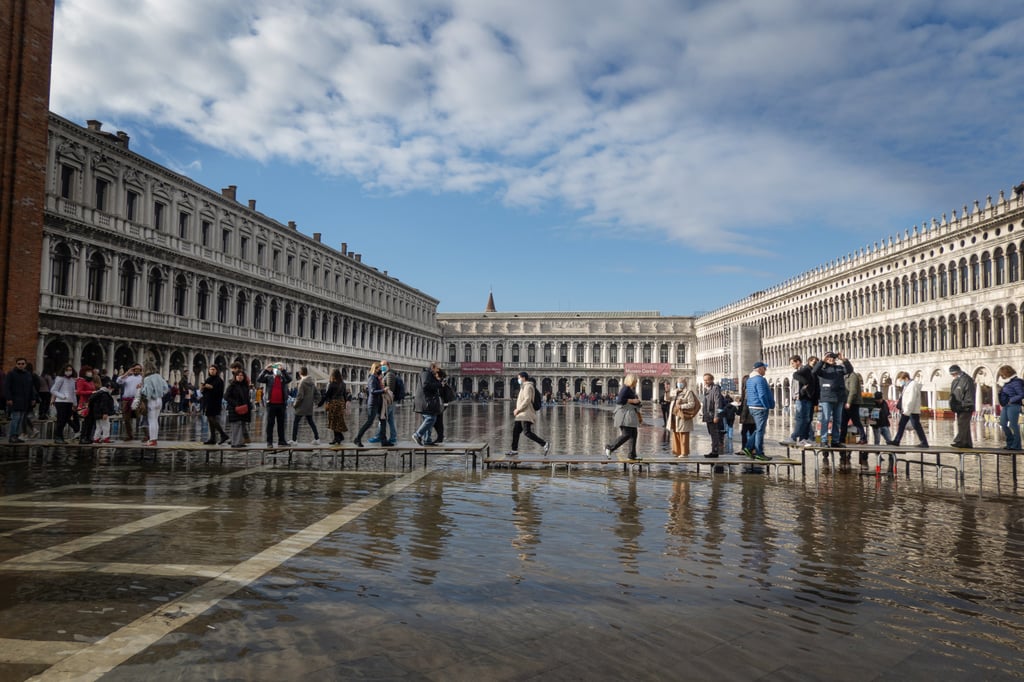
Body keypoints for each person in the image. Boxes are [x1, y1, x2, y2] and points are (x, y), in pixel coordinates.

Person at [811, 352, 851, 449]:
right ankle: (824, 440)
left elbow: (850, 370)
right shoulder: (822, 369)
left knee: (837, 420)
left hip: (839, 397)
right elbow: (814, 371)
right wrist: (821, 361)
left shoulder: (839, 368)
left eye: (833, 357)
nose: (831, 359)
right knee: (825, 419)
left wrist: (844, 360)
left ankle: (835, 440)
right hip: (826, 397)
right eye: (829, 357)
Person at [509, 371, 548, 456]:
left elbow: (527, 400)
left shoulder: (528, 386)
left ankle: (544, 444)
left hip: (525, 414)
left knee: (527, 432)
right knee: (515, 432)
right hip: (521, 414)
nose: (518, 379)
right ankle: (514, 450)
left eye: (519, 378)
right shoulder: (523, 386)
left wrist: (518, 409)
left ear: (523, 378)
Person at [605, 374, 643, 460]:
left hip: (629, 416)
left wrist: (638, 402)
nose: (636, 382)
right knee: (626, 434)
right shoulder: (625, 388)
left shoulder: (630, 389)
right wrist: (633, 400)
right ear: (631, 381)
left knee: (634, 435)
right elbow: (619, 400)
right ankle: (610, 447)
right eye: (635, 381)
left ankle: (632, 455)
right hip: (624, 416)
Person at [743, 361, 774, 461]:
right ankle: (758, 452)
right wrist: (766, 406)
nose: (765, 370)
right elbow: (762, 394)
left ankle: (748, 447)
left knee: (759, 429)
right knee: (760, 430)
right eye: (764, 369)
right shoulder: (760, 380)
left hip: (752, 406)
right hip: (760, 407)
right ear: (760, 369)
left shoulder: (749, 380)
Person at [256, 362, 292, 447]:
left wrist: (284, 370)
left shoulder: (283, 378)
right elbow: (259, 379)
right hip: (271, 404)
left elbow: (290, 379)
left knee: (281, 423)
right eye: (277, 369)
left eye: (279, 369)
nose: (278, 370)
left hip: (281, 404)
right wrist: (265, 370)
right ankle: (269, 442)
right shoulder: (269, 377)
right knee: (270, 424)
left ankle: (282, 441)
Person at [891, 371, 929, 447]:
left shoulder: (913, 385)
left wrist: (907, 411)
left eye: (901, 380)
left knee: (915, 425)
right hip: (907, 410)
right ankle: (897, 440)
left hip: (911, 410)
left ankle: (924, 442)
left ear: (906, 378)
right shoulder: (907, 386)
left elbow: (911, 399)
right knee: (903, 425)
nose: (901, 382)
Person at [4, 358, 37, 443]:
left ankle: (16, 436)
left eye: (22, 364)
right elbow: (6, 387)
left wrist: (33, 398)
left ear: (25, 365)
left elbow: (31, 387)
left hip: (25, 401)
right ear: (16, 364)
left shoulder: (28, 374)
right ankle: (12, 436)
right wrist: (9, 398)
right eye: (19, 364)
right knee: (15, 418)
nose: (21, 365)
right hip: (15, 400)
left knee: (21, 419)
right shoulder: (11, 374)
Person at [369, 360, 400, 445]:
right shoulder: (386, 374)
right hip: (390, 401)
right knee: (390, 420)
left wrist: (382, 387)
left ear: (388, 366)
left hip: (389, 401)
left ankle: (378, 436)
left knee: (382, 418)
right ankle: (393, 438)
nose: (381, 367)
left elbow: (389, 388)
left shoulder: (389, 375)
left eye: (383, 365)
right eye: (381, 365)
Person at [411, 363, 443, 447]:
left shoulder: (429, 374)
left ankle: (427, 440)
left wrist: (438, 381)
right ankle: (417, 435)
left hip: (427, 400)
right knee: (431, 418)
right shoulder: (426, 373)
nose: (438, 370)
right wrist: (439, 384)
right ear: (433, 367)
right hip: (425, 400)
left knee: (428, 419)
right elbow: (426, 385)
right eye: (437, 368)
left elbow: (430, 384)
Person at [354, 362, 386, 447]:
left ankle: (384, 440)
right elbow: (372, 391)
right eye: (379, 368)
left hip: (378, 403)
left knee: (383, 420)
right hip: (373, 404)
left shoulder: (376, 378)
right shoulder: (372, 378)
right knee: (369, 422)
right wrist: (383, 391)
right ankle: (357, 438)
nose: (381, 370)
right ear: (375, 369)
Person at [667, 377, 698, 457]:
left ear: (685, 383)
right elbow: (667, 399)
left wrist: (681, 406)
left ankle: (684, 453)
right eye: (678, 382)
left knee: (683, 434)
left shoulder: (688, 392)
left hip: (682, 417)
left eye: (681, 382)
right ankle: (677, 451)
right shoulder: (674, 392)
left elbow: (692, 404)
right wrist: (667, 391)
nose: (679, 384)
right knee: (675, 433)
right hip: (674, 416)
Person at [139, 363, 169, 446]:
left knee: (151, 420)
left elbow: (147, 391)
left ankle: (152, 440)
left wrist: (141, 391)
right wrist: (161, 393)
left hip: (151, 400)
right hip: (159, 400)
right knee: (155, 420)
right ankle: (154, 439)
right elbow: (166, 388)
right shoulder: (159, 376)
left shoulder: (147, 379)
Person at [290, 366, 320, 445]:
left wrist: (295, 404)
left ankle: (294, 440)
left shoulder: (302, 382)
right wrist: (315, 402)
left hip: (301, 407)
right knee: (311, 422)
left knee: (296, 422)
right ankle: (317, 439)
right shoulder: (312, 382)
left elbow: (300, 396)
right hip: (309, 406)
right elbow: (318, 394)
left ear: (300, 373)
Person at [997, 365, 1024, 450]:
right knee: (1002, 423)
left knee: (1013, 425)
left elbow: (1021, 394)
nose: (1002, 377)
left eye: (1003, 375)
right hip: (1006, 405)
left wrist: (1011, 400)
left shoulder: (1016, 382)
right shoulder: (1007, 383)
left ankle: (1016, 445)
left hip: (1014, 405)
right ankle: (1010, 442)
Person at [318, 369, 349, 444]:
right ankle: (338, 437)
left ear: (333, 376)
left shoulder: (332, 384)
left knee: (333, 421)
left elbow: (327, 395)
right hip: (341, 403)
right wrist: (345, 405)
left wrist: (320, 403)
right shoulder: (343, 384)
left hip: (334, 404)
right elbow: (345, 395)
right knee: (339, 421)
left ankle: (338, 437)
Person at [948, 365, 975, 449]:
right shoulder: (956, 381)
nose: (953, 376)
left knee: (962, 424)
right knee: (963, 425)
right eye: (952, 374)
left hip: (966, 406)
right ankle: (967, 443)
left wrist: (966, 404)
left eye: (954, 374)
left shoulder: (967, 380)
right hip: (958, 406)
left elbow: (969, 394)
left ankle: (960, 441)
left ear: (958, 372)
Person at [201, 365, 229, 445]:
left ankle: (223, 434)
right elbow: (204, 391)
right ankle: (212, 438)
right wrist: (203, 389)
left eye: (213, 369)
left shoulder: (219, 380)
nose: (212, 371)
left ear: (217, 370)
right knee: (210, 420)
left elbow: (219, 392)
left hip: (215, 402)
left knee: (212, 418)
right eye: (210, 369)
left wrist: (211, 387)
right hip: (208, 401)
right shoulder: (208, 379)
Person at [50, 364, 78, 444]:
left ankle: (60, 437)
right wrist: (62, 396)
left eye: (70, 370)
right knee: (61, 420)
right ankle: (58, 437)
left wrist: (75, 403)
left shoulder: (72, 380)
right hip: (61, 402)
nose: (69, 372)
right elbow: (53, 390)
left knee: (66, 419)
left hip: (69, 402)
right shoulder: (60, 379)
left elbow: (73, 393)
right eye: (67, 370)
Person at [224, 369, 252, 447]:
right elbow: (226, 396)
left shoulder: (245, 386)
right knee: (236, 425)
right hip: (234, 409)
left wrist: (249, 406)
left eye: (241, 375)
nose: (240, 377)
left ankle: (240, 442)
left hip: (244, 408)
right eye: (238, 375)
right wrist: (235, 404)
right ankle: (235, 443)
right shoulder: (232, 386)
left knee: (242, 424)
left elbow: (247, 398)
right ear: (235, 376)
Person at [840, 367, 867, 446]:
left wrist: (849, 402)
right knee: (843, 422)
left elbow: (853, 391)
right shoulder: (845, 376)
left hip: (853, 403)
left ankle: (863, 438)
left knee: (856, 421)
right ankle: (842, 439)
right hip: (845, 402)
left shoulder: (853, 376)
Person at [117, 364, 143, 441]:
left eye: (138, 369)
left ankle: (146, 435)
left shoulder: (142, 378)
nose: (136, 370)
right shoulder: (127, 377)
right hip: (126, 400)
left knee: (140, 417)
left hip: (137, 399)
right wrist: (127, 373)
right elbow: (118, 381)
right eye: (135, 369)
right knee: (126, 419)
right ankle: (129, 435)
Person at [700, 373, 724, 458]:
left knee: (714, 433)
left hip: (713, 415)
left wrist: (717, 416)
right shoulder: (706, 389)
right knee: (711, 433)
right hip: (708, 416)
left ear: (711, 380)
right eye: (704, 380)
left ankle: (715, 451)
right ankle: (714, 450)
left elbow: (718, 403)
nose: (705, 381)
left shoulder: (715, 388)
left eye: (707, 380)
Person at [87, 379, 116, 443]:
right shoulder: (104, 394)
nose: (112, 390)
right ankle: (106, 438)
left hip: (96, 413)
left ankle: (96, 438)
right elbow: (104, 405)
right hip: (102, 413)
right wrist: (105, 413)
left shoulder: (99, 393)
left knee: (99, 426)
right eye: (113, 389)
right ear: (109, 387)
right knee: (106, 425)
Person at [76, 365, 98, 443]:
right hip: (85, 403)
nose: (89, 373)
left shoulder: (91, 381)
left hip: (92, 402)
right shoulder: (81, 380)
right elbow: (79, 392)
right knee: (86, 421)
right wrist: (91, 392)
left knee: (91, 421)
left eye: (90, 371)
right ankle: (82, 438)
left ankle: (89, 437)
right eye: (88, 371)